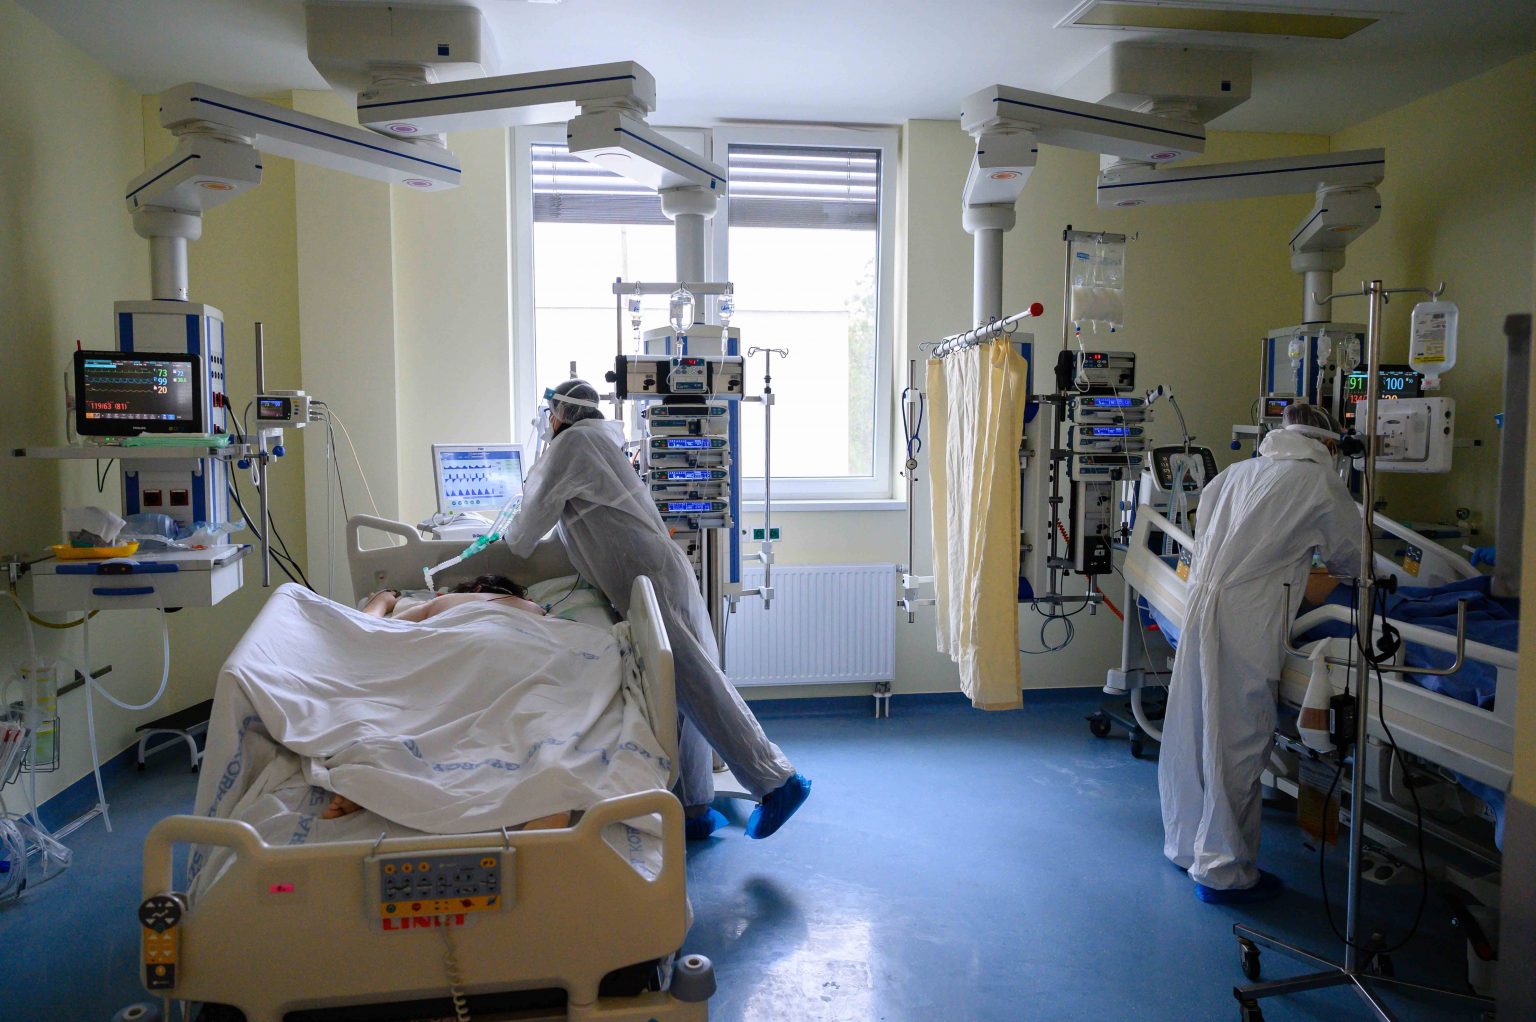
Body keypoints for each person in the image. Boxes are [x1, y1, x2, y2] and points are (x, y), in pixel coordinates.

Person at [500, 379, 810, 840]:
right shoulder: (599, 440)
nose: (547, 423)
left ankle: (777, 781)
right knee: (681, 690)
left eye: (550, 415)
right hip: (658, 570)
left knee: (696, 683)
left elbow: (522, 536)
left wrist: (497, 534)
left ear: (560, 414)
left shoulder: (571, 446)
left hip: (648, 577)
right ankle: (692, 807)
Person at [1159, 403, 1362, 903]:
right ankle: (1223, 872)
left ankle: (1186, 845)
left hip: (1202, 603)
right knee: (1238, 739)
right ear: (1327, 444)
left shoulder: (1236, 473)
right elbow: (1353, 559)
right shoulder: (1319, 481)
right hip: (1248, 617)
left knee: (1194, 727)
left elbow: (1208, 536)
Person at [362, 574, 545, 622]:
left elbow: (372, 627)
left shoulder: (446, 601)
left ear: (477, 589)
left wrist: (382, 601)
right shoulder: (534, 609)